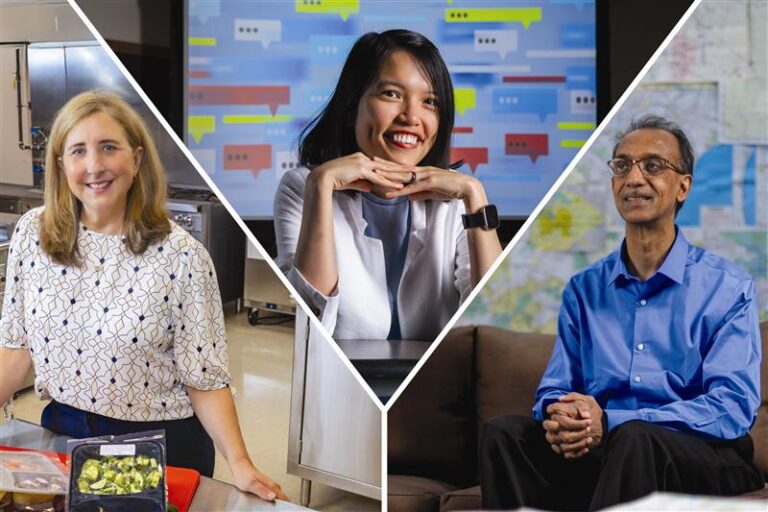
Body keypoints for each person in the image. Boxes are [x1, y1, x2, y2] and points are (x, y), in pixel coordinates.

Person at [0, 90, 287, 502]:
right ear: (61, 165)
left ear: (136, 160)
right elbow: (14, 350)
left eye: (109, 147)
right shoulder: (33, 234)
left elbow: (204, 379)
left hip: (156, 445)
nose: (94, 165)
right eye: (78, 151)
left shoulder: (182, 257)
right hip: (64, 432)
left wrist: (240, 463)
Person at [479, 115, 764, 510]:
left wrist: (612, 421)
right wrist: (564, 415)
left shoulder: (727, 288)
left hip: (705, 453)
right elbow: (555, 387)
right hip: (609, 448)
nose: (634, 178)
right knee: (504, 434)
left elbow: (731, 408)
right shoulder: (584, 289)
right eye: (622, 165)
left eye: (653, 166)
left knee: (635, 436)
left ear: (683, 186)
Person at [274, 29, 502, 341]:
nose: (411, 117)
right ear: (351, 108)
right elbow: (310, 322)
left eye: (429, 101)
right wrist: (321, 184)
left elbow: (492, 320)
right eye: (392, 94)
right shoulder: (304, 187)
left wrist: (475, 196)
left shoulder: (457, 200)